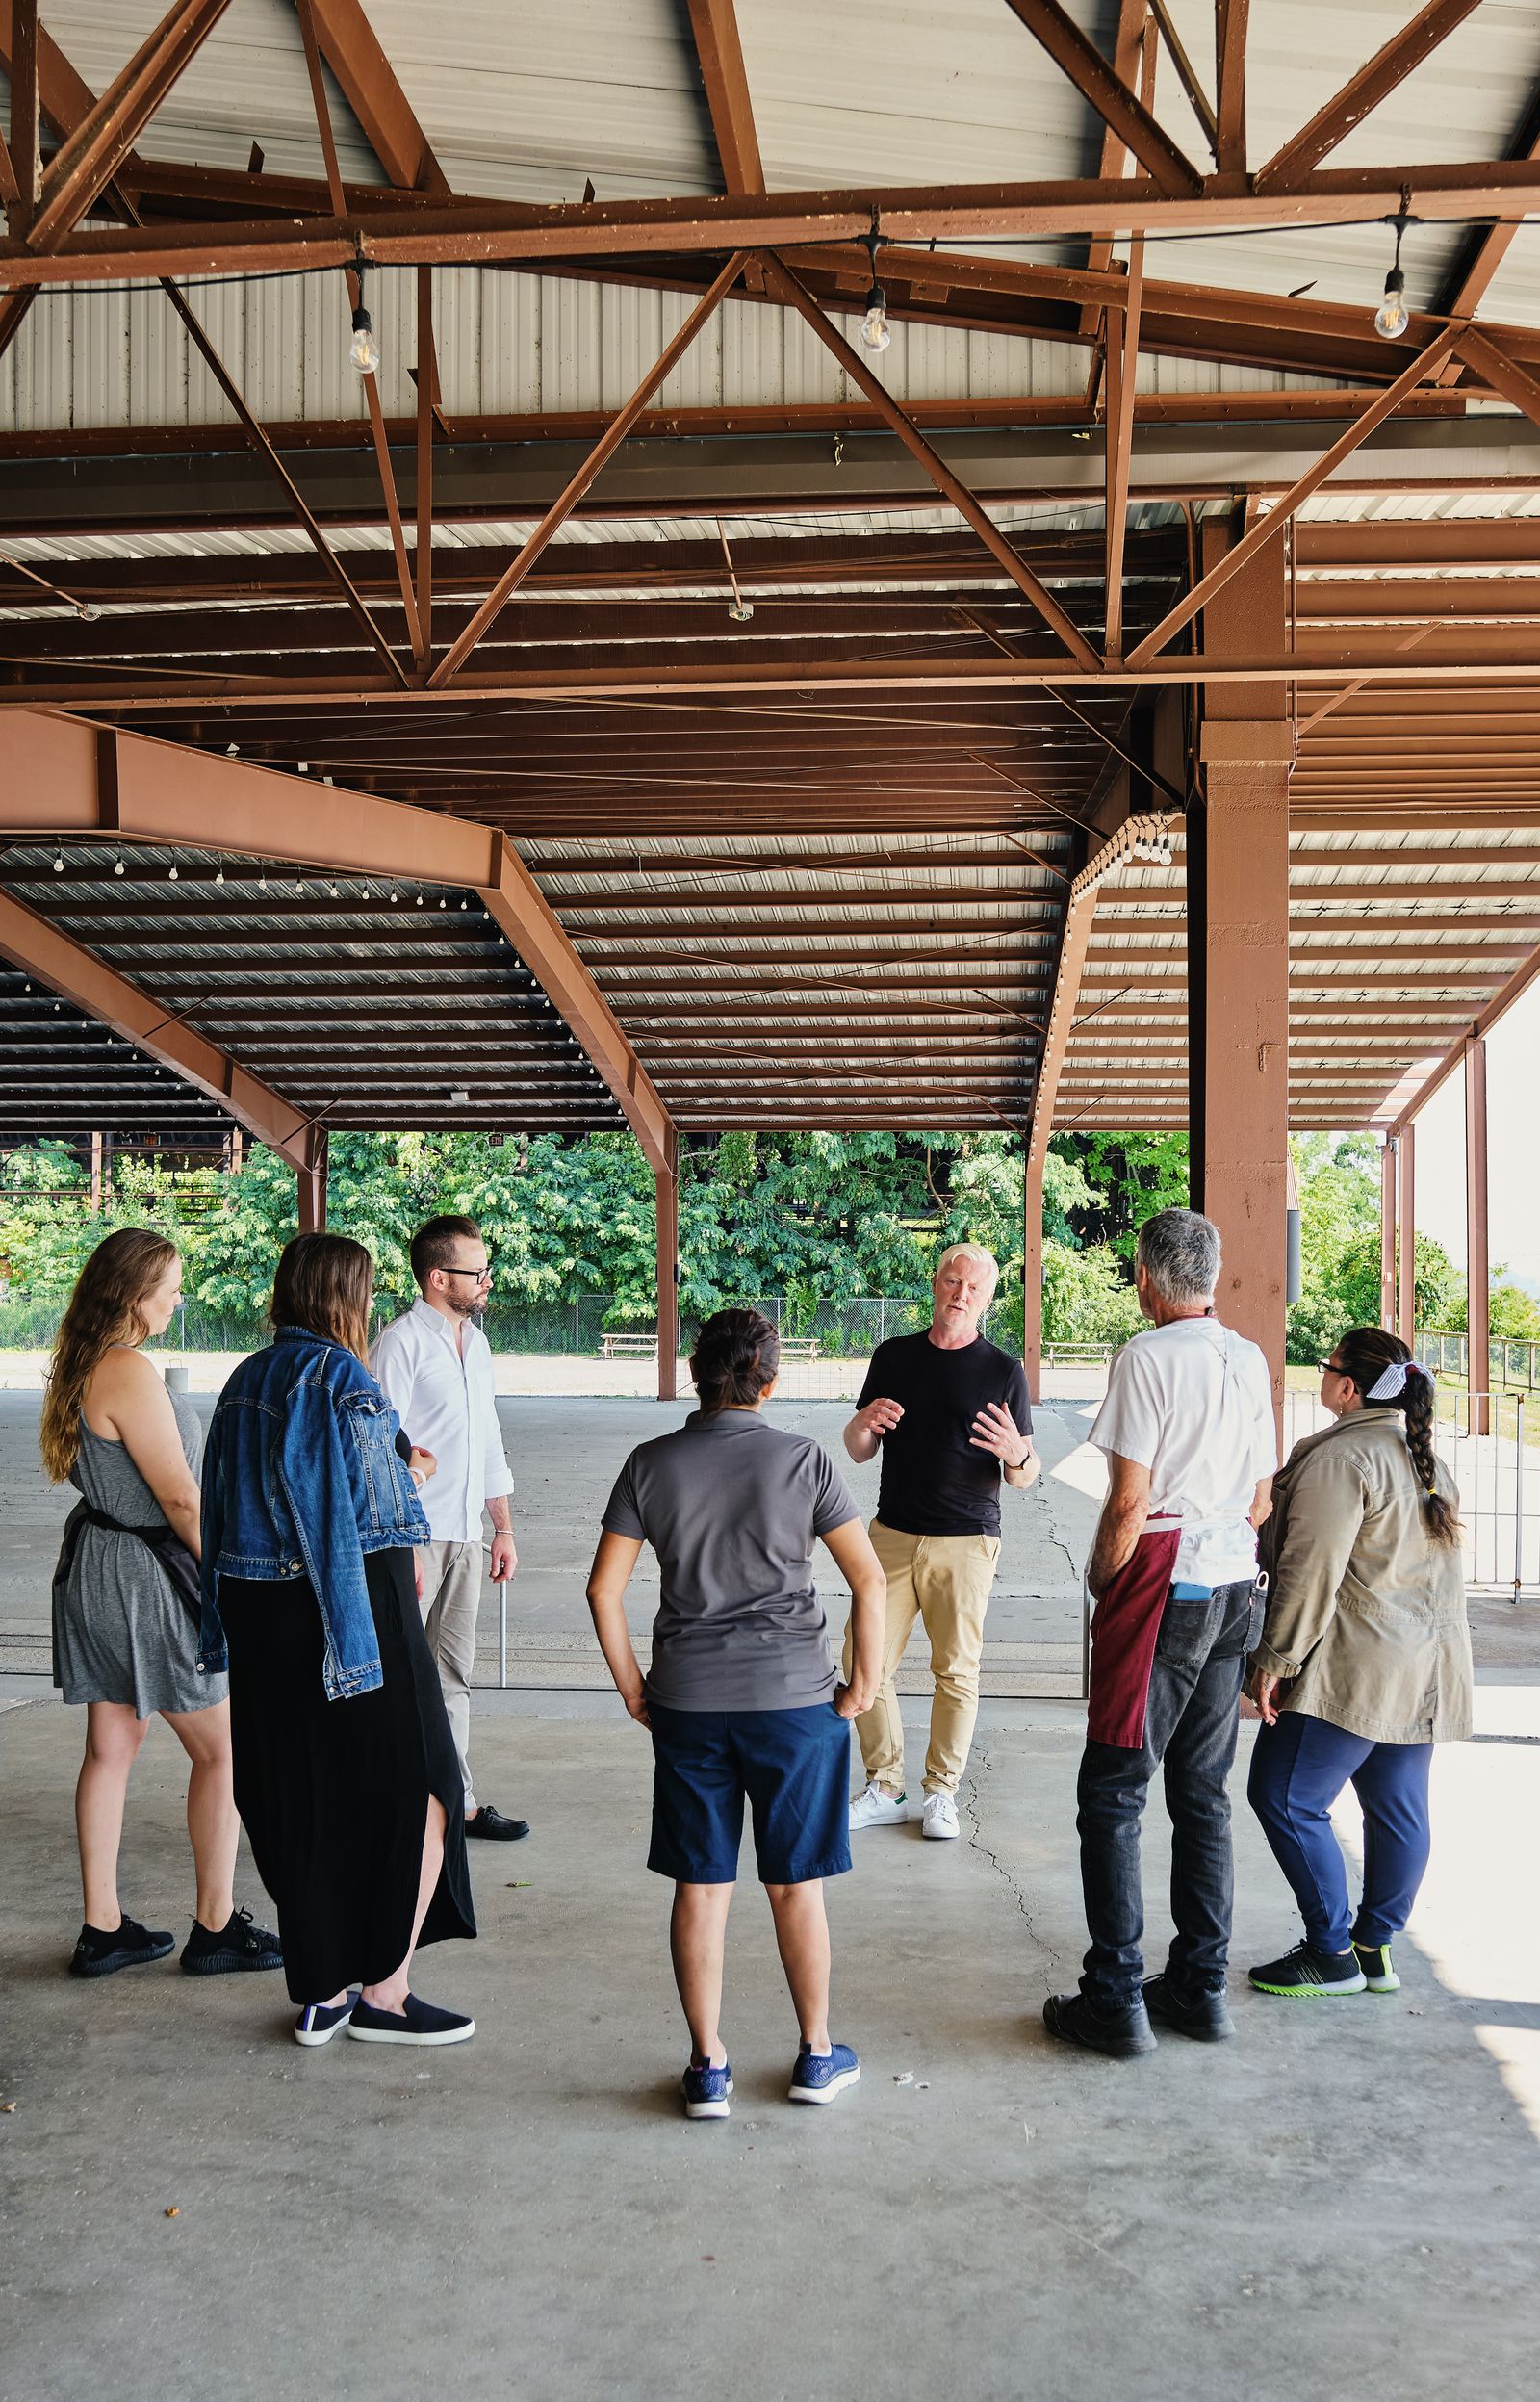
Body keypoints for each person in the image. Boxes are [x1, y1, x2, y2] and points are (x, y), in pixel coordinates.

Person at [585, 1309, 886, 2119]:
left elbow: (602, 1589)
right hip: (795, 1704)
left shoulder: (650, 1463)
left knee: (701, 1886)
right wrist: (863, 1684)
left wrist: (633, 1687)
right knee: (796, 1888)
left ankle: (708, 2066)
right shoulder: (803, 1460)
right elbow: (870, 1580)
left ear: (696, 1373)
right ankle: (816, 2055)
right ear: (771, 1380)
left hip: (689, 1701)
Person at [200, 1233, 476, 2048]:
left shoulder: (244, 1380)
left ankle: (321, 1989)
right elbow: (376, 1512)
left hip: (260, 1617)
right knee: (425, 1787)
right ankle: (384, 1995)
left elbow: (222, 1511)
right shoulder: (343, 1376)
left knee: (305, 1794)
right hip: (355, 1607)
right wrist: (415, 1473)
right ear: (346, 1297)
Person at [1043, 1207, 1277, 2059]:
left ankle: (1113, 1994)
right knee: (1202, 1789)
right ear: (1210, 1275)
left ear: (1146, 1276)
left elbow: (1129, 1500)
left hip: (1166, 1576)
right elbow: (1261, 1496)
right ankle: (1200, 1986)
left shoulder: (1145, 1357)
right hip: (1231, 1580)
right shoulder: (1248, 1357)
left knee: (1112, 1790)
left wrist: (1105, 1577)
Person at [42, 1227, 282, 1982]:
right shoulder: (129, 1370)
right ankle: (215, 1926)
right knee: (224, 1747)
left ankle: (103, 1927)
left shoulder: (78, 1364)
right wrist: (230, 1579)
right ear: (133, 1292)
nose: (180, 1297)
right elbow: (180, 1495)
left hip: (98, 1567)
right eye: (171, 1285)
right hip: (147, 1575)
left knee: (110, 1748)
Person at [1245, 1329, 1471, 2000]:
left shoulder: (1344, 1458)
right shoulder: (1421, 1452)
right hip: (1424, 1666)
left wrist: (1274, 1657)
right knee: (1398, 1808)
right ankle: (1375, 1945)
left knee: (1284, 1795)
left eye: (1328, 1366)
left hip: (1355, 1665)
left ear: (1346, 1386)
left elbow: (1309, 1572)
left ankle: (1330, 1949)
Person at [841, 1243, 1039, 1843]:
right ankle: (885, 1786)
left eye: (974, 1288)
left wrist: (1016, 1452)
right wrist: (860, 1423)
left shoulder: (1003, 1370)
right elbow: (857, 1448)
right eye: (953, 1281)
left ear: (987, 1299)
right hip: (891, 1535)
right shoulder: (893, 1356)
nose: (961, 1294)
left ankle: (941, 1793)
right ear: (935, 1284)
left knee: (956, 1672)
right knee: (862, 1661)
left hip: (967, 1540)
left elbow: (1025, 1474)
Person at [372, 1215, 526, 1843]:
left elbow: (487, 1439)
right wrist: (404, 1540)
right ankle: (389, 1801)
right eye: (476, 1271)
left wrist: (503, 1527)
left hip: (466, 1534)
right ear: (439, 1278)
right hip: (416, 1539)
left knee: (453, 1674)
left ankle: (456, 1804)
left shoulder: (479, 1346)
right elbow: (381, 1449)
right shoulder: (400, 1344)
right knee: (396, 1673)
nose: (486, 1281)